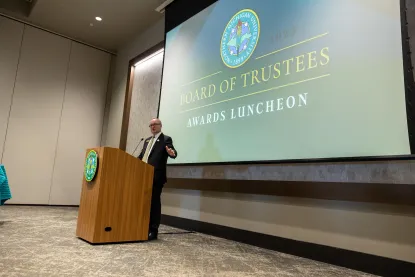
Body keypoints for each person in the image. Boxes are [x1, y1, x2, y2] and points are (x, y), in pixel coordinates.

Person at [138, 118, 177, 240]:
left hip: (156, 177)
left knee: (154, 203)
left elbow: (173, 152)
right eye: (151, 125)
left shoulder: (165, 139)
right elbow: (141, 157)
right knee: (143, 203)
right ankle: (141, 226)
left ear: (160, 126)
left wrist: (172, 153)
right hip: (142, 176)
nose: (153, 126)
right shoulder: (147, 141)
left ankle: (153, 230)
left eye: (155, 124)